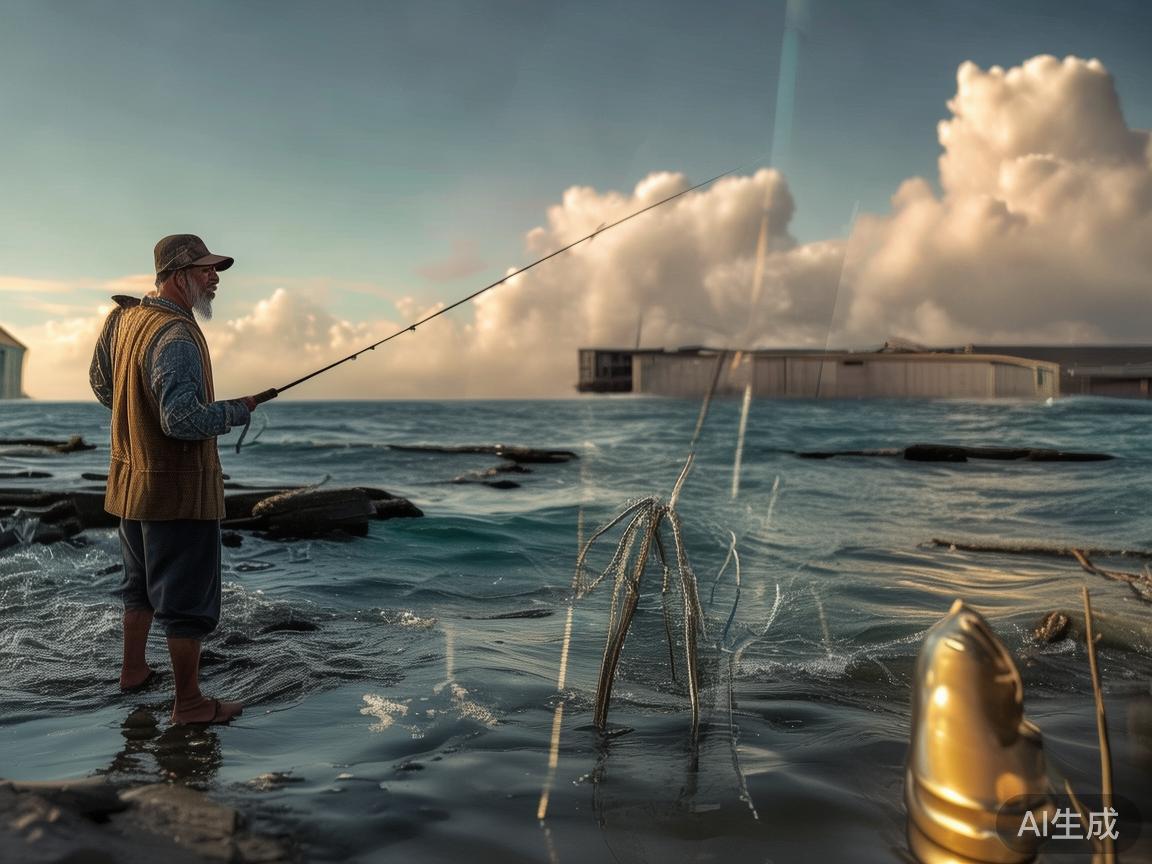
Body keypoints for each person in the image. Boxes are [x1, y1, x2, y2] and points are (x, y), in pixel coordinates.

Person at [90, 234, 274, 724]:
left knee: (139, 589)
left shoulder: (124, 320)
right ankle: (190, 703)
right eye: (206, 270)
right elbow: (182, 421)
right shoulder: (176, 336)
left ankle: (133, 672)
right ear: (177, 275)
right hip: (176, 493)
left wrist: (137, 421)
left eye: (216, 270)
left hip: (130, 486)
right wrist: (236, 410)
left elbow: (102, 385)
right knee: (186, 603)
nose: (215, 279)